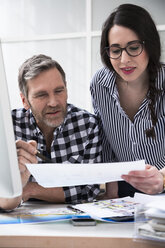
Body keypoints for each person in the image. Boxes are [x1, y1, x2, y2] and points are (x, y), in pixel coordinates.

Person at [90, 3, 165, 199]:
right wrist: (111, 194)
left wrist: (162, 179)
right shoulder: (100, 84)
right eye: (116, 50)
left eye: (133, 48)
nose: (124, 60)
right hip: (123, 192)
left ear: (149, 45)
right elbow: (105, 142)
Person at [12, 54, 102, 204]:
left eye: (59, 91)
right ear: (24, 101)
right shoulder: (8, 128)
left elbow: (88, 190)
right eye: (42, 95)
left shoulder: (88, 125)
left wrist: (28, 189)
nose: (53, 102)